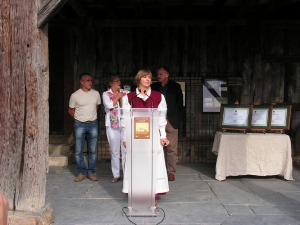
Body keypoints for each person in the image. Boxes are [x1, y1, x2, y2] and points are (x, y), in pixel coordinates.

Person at [121, 69, 170, 202]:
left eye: (149, 77)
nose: (148, 79)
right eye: (144, 77)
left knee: (152, 164)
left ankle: (151, 194)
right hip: (135, 137)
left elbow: (161, 118)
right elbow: (124, 119)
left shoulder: (158, 96)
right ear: (138, 79)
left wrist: (163, 135)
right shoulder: (129, 97)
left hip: (152, 136)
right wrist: (125, 138)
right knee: (137, 165)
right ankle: (137, 193)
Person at [151, 66, 183, 181]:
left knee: (172, 147)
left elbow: (180, 105)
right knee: (156, 146)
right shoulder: (153, 87)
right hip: (156, 119)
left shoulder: (176, 86)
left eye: (160, 74)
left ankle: (171, 172)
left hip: (171, 120)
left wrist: (175, 117)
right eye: (157, 74)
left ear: (167, 75)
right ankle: (158, 170)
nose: (158, 76)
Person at [68, 73, 101, 182]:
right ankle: (81, 172)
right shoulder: (75, 95)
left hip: (93, 124)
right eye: (87, 81)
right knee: (79, 150)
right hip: (80, 124)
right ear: (81, 82)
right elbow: (71, 110)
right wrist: (79, 118)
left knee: (92, 150)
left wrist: (89, 117)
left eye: (91, 80)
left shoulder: (96, 94)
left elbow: (96, 107)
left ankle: (91, 172)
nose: (90, 82)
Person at [102, 75, 129, 183]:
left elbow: (128, 106)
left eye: (119, 80)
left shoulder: (125, 93)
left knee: (126, 150)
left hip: (124, 125)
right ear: (110, 83)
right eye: (116, 81)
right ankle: (116, 174)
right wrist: (118, 97)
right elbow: (109, 105)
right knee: (115, 151)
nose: (119, 82)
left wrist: (122, 95)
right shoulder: (106, 94)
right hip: (112, 125)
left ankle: (127, 173)